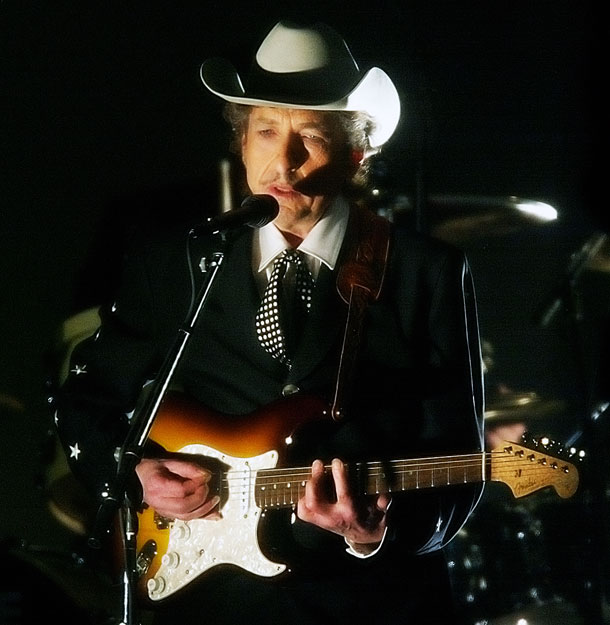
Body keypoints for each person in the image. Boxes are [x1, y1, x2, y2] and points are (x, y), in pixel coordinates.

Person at [54, 20, 485, 625]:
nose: (282, 160)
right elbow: (87, 401)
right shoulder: (174, 260)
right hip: (206, 601)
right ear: (242, 144)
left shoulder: (423, 270)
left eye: (310, 135)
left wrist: (371, 533)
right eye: (265, 131)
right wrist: (137, 477)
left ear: (356, 154)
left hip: (367, 604)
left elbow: (460, 463)